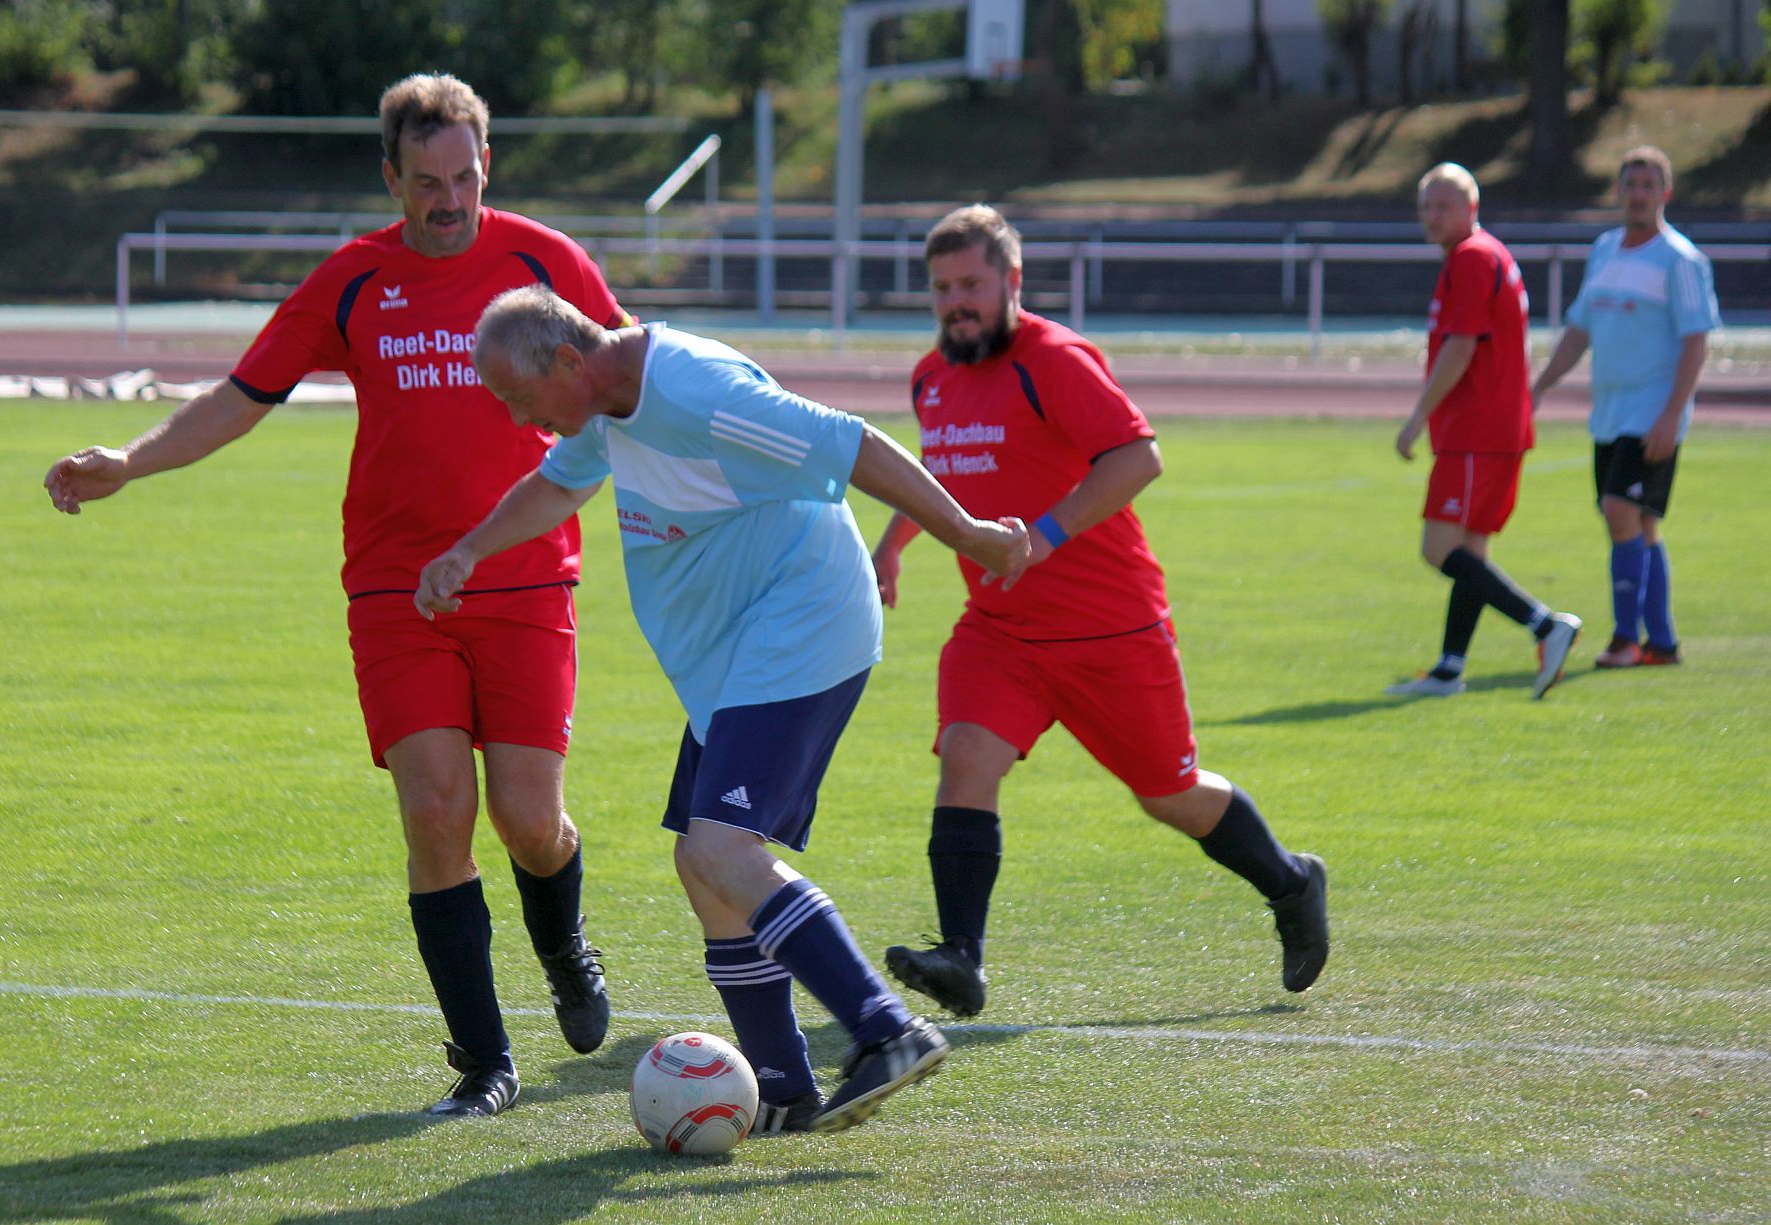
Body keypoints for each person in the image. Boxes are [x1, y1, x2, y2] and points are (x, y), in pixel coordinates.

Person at [42, 74, 623, 1119]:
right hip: (395, 590)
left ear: (486, 165)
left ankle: (564, 943)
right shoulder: (353, 279)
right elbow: (241, 394)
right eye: (426, 182)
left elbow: (628, 378)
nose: (448, 200)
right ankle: (483, 1063)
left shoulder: (545, 261)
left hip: (528, 576)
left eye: (464, 176)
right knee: (437, 812)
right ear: (390, 177)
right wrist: (129, 459)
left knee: (528, 820)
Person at [415, 284, 1033, 1134]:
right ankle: (782, 1085)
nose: (521, 417)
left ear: (566, 360)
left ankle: (884, 1027)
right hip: (737, 657)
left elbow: (849, 444)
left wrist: (968, 533)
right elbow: (557, 487)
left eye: (520, 397)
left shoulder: (695, 388)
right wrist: (467, 551)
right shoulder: (602, 402)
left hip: (801, 626)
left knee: (723, 847)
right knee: (701, 866)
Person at [870, 205, 1330, 1022]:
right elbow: (947, 471)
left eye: (972, 284)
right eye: (942, 288)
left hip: (1111, 629)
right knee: (968, 755)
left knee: (1171, 793)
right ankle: (962, 957)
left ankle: (1292, 882)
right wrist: (895, 540)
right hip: (1002, 629)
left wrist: (1044, 537)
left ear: (1012, 281)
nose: (956, 302)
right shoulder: (929, 377)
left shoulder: (1054, 358)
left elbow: (1137, 454)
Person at [1387, 162, 1583, 701]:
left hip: (1478, 429)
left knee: (1438, 548)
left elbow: (1461, 345)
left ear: (1471, 208)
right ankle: (1450, 668)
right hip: (1495, 428)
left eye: (1443, 205)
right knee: (1471, 550)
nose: (1432, 215)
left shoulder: (1471, 259)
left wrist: (1417, 416)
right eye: (1426, 205)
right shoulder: (1486, 253)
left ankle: (1546, 625)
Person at [1531, 146, 1720, 669]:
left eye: (1647, 185)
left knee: (1619, 512)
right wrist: (1541, 383)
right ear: (1618, 192)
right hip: (1610, 414)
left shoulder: (1680, 261)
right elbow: (1580, 329)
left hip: (1652, 416)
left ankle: (1624, 638)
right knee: (1641, 523)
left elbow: (1695, 342)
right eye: (1629, 184)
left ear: (1665, 193)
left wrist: (1671, 416)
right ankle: (1662, 643)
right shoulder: (1605, 250)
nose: (1637, 194)